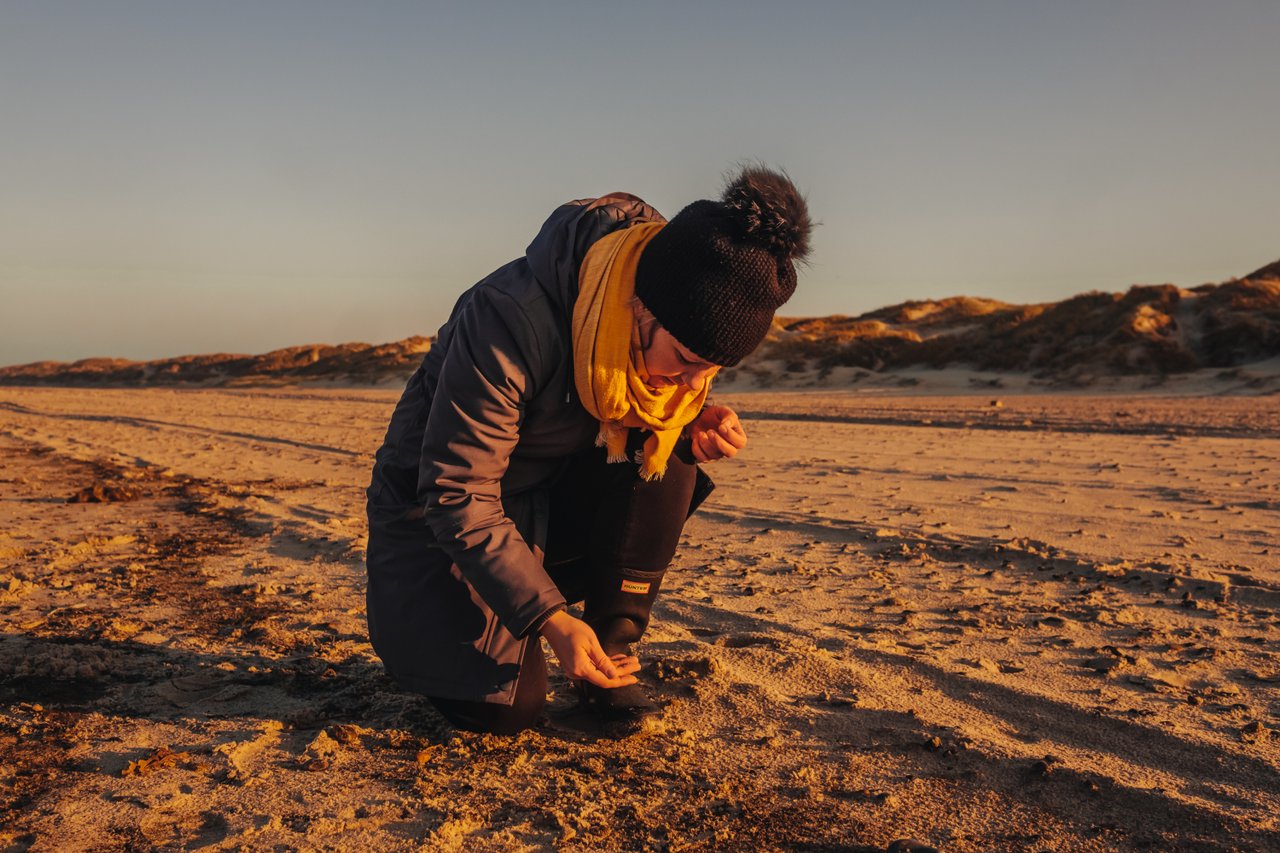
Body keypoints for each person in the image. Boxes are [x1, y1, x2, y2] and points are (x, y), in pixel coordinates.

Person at [365, 165, 811, 734]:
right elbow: (457, 491)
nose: (690, 383)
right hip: (437, 523)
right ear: (639, 308)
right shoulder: (509, 316)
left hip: (543, 504)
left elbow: (654, 400)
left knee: (665, 441)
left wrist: (694, 419)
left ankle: (610, 644)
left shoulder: (663, 321)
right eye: (685, 361)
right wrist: (550, 618)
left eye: (711, 371)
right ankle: (499, 637)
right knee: (504, 712)